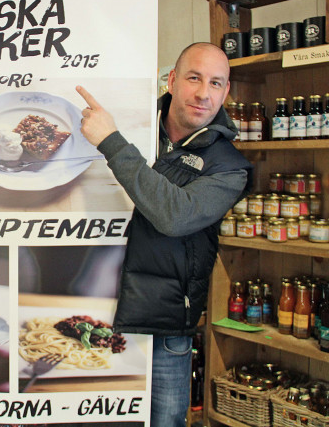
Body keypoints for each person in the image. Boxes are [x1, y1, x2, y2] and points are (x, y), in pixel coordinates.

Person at [77, 42, 252, 427]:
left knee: (164, 421)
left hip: (164, 320)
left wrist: (112, 142)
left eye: (216, 83)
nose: (203, 93)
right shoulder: (132, 120)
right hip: (98, 298)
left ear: (226, 92)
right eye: (193, 78)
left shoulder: (229, 166)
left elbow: (175, 216)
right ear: (172, 80)